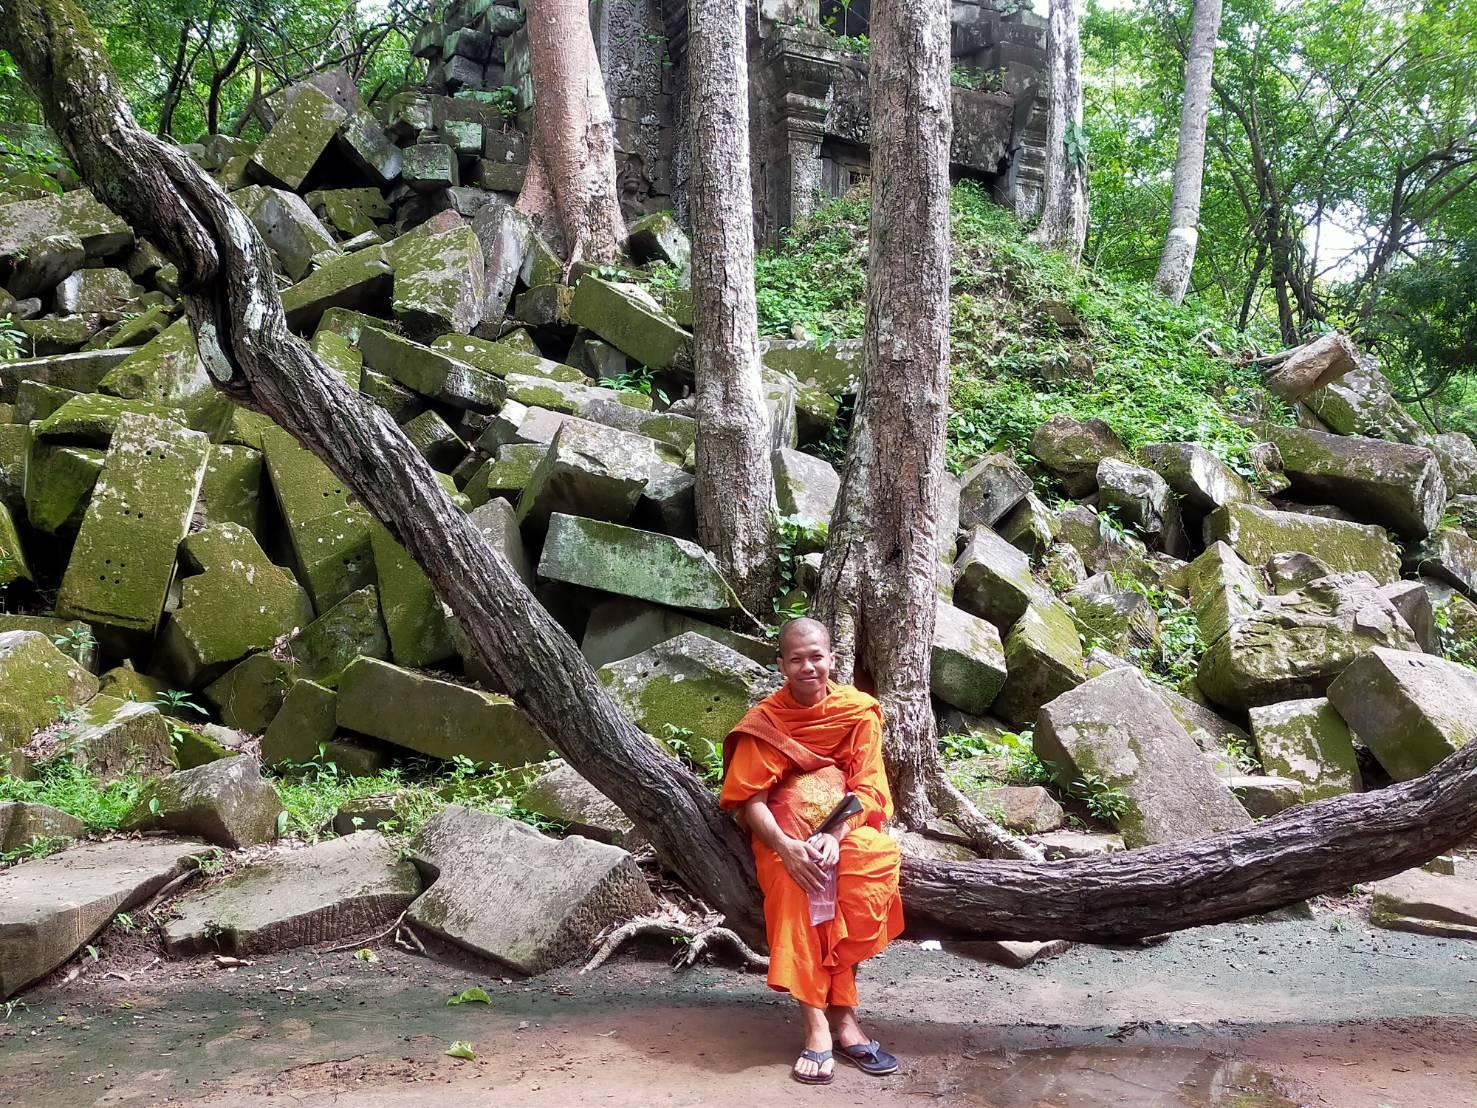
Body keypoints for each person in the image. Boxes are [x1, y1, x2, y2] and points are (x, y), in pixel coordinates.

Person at [719, 616, 904, 1085]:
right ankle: (817, 1026)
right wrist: (785, 847)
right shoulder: (765, 721)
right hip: (781, 835)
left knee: (872, 866)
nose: (808, 667)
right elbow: (748, 800)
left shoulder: (857, 711)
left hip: (840, 827)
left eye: (816, 656)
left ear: (831, 659)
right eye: (796, 659)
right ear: (781, 664)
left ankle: (843, 1013)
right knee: (794, 890)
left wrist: (834, 836)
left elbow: (867, 788)